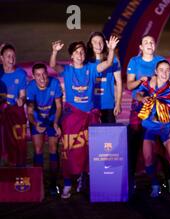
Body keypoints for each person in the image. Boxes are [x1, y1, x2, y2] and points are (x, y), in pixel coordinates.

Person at [50, 36, 119, 199]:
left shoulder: (91, 68)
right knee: (70, 150)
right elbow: (53, 65)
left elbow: (108, 63)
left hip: (90, 117)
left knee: (90, 150)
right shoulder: (67, 70)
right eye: (76, 52)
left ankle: (85, 179)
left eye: (82, 52)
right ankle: (67, 184)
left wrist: (110, 49)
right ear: (71, 56)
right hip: (72, 117)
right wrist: (54, 52)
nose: (80, 55)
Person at [135, 59, 170, 197]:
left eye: (167, 70)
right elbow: (138, 93)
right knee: (148, 156)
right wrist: (141, 99)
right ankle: (155, 184)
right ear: (156, 71)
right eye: (161, 69)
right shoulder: (148, 84)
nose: (164, 72)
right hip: (149, 128)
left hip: (166, 127)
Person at [126, 34, 165, 187]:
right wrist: (140, 81)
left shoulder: (160, 61)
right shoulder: (134, 62)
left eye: (152, 41)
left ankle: (166, 177)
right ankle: (131, 178)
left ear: (154, 46)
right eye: (146, 42)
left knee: (160, 141)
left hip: (158, 107)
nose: (149, 44)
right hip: (139, 107)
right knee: (135, 140)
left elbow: (167, 83)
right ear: (141, 47)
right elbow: (129, 86)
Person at [26, 63, 63, 196]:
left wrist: (56, 122)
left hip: (53, 118)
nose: (42, 78)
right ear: (33, 77)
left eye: (44, 74)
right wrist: (35, 124)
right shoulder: (30, 87)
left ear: (47, 73)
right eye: (38, 75)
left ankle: (53, 184)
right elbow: (29, 112)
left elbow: (59, 106)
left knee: (53, 149)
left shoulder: (54, 83)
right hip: (38, 120)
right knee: (38, 150)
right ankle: (38, 183)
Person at [0, 43, 27, 167]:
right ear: (2, 58)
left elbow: (22, 94)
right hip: (2, 115)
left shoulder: (20, 74)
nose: (11, 59)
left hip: (15, 115)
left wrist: (22, 100)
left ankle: (19, 168)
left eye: (13, 56)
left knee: (18, 143)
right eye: (8, 56)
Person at [86, 31, 122, 123]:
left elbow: (119, 82)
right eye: (94, 42)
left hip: (108, 104)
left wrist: (118, 103)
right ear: (90, 44)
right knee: (92, 135)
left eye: (100, 42)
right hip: (91, 104)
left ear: (105, 43)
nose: (98, 45)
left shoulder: (114, 60)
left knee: (109, 134)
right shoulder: (86, 61)